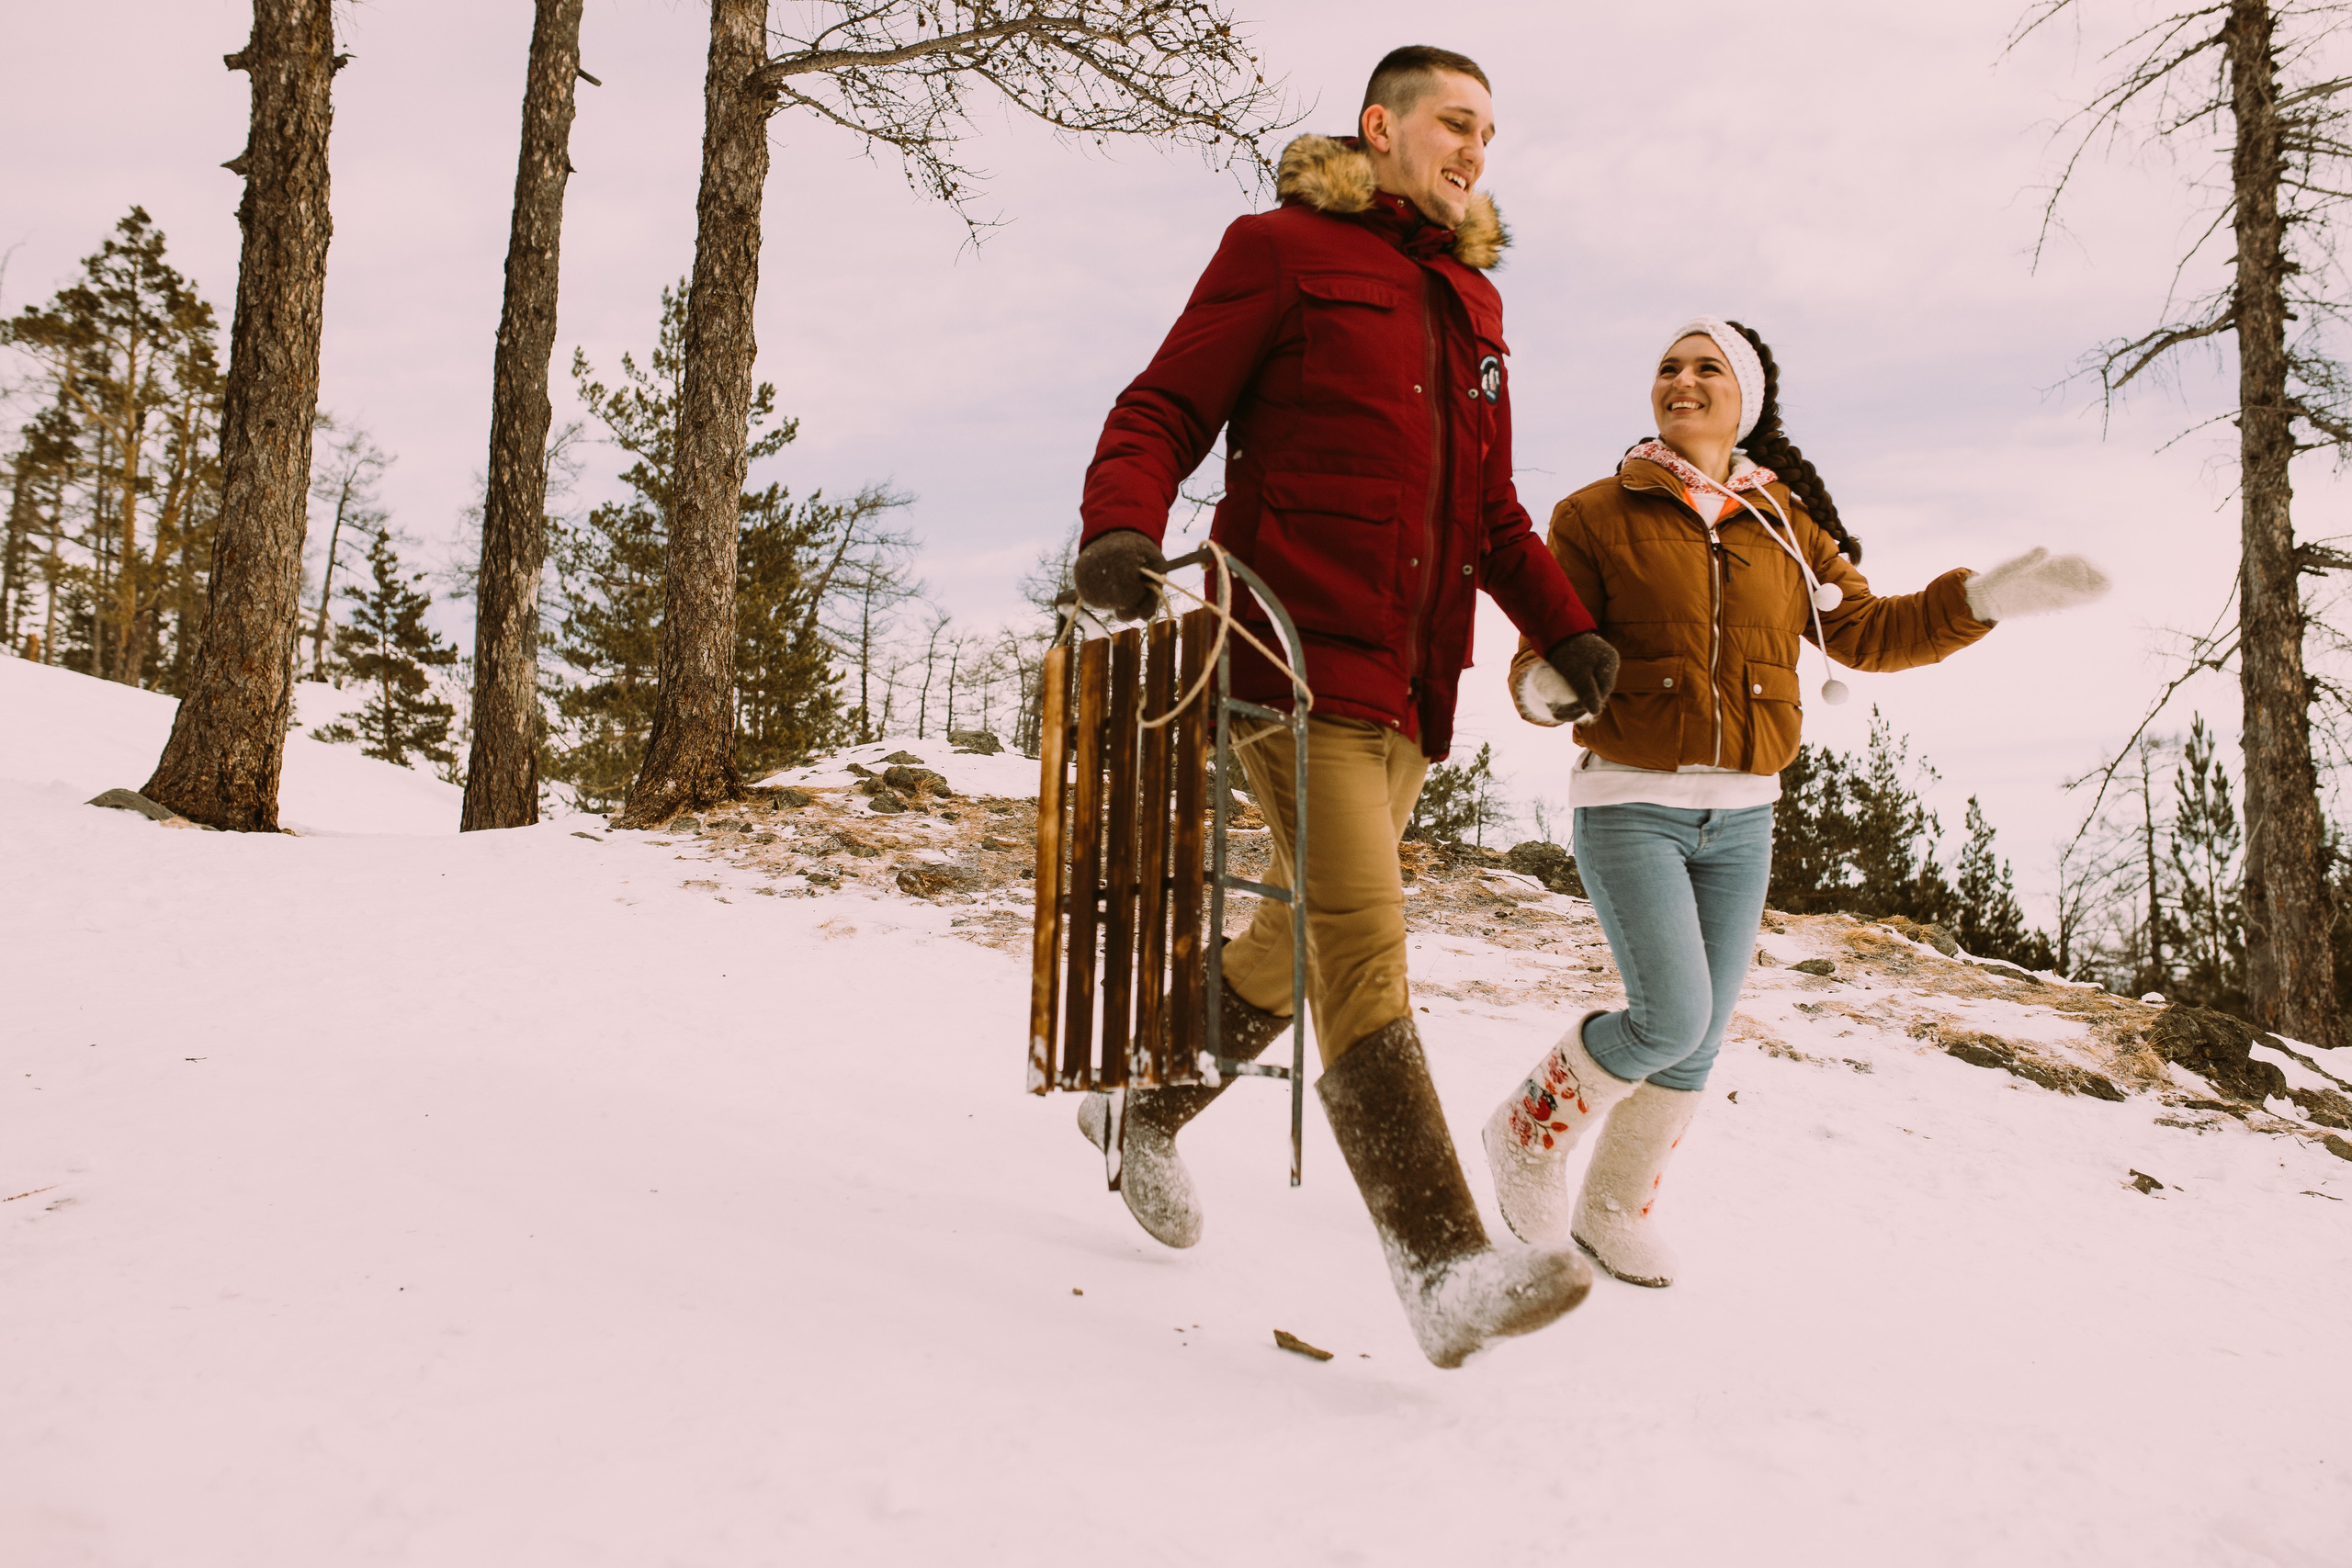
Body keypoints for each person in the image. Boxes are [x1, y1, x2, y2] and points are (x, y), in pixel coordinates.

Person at [1069, 45, 1621, 1368]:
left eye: (1490, 130)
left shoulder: (1472, 305)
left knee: (1296, 937)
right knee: (1365, 940)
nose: (1474, 148)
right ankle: (1443, 1266)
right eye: (1453, 122)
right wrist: (1117, 530)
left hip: (1409, 682)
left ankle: (1142, 1100)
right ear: (1382, 127)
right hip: (1285, 654)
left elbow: (1488, 511)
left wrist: (1570, 628)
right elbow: (1164, 404)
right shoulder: (1281, 249)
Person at [1485, 317, 2111, 1289]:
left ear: (1747, 399)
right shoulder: (1594, 514)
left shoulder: (1785, 525)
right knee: (1668, 1017)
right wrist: (1547, 687)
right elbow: (1546, 645)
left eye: (1706, 368)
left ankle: (1613, 1207)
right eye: (1667, 367)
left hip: (1744, 816)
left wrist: (1981, 601)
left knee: (1701, 1035)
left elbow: (1867, 632)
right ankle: (1526, 1137)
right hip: (1629, 804)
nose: (1681, 381)